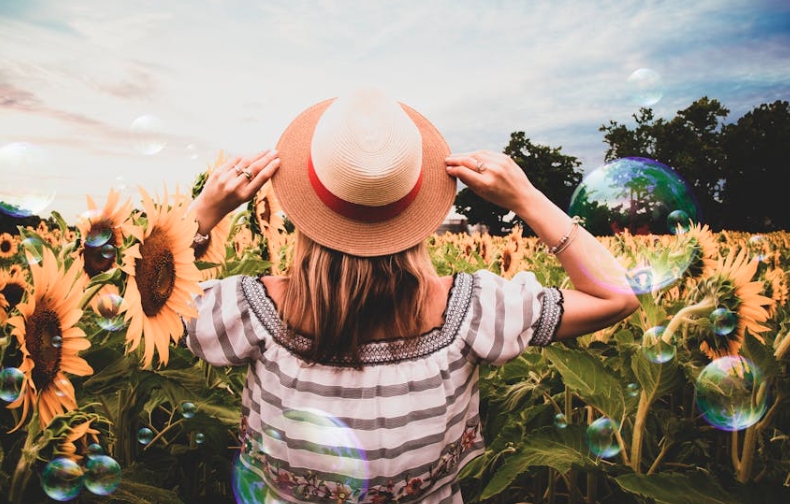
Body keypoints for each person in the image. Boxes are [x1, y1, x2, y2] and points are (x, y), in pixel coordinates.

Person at [185, 87, 640, 504]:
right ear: (417, 209)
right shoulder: (473, 310)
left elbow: (149, 299)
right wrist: (525, 197)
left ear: (307, 208)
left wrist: (202, 214)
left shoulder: (249, 311)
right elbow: (616, 297)